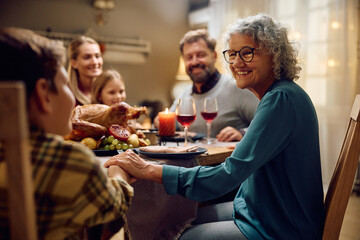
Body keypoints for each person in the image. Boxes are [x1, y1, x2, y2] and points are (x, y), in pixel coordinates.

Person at [104, 13, 325, 240]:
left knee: (179, 234)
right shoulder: (279, 95)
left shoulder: (280, 100)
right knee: (176, 220)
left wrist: (149, 170)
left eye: (247, 53)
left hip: (280, 227)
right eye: (232, 54)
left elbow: (229, 174)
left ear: (275, 55)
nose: (237, 62)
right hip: (261, 209)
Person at [0, 27, 133, 239]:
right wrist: (119, 172)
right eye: (64, 86)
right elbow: (115, 205)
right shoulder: (68, 161)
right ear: (44, 94)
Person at [155, 29, 259, 142]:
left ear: (214, 56)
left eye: (201, 55)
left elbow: (268, 123)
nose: (194, 62)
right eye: (189, 57)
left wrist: (242, 133)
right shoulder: (184, 94)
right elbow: (170, 125)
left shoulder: (237, 86)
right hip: (191, 158)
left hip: (224, 158)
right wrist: (158, 123)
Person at [68, 35, 103, 105]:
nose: (95, 62)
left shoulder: (110, 91)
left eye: (97, 56)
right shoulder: (66, 94)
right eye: (87, 57)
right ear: (74, 63)